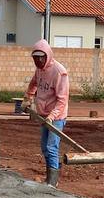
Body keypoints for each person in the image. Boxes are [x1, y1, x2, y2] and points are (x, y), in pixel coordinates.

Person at [23, 38, 70, 187]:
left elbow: (62, 100)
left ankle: (52, 182)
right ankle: (54, 170)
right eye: (35, 58)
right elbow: (33, 84)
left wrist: (52, 116)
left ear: (47, 56)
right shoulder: (39, 70)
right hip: (44, 115)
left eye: (40, 58)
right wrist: (28, 98)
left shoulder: (59, 72)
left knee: (51, 147)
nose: (38, 61)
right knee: (45, 147)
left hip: (56, 116)